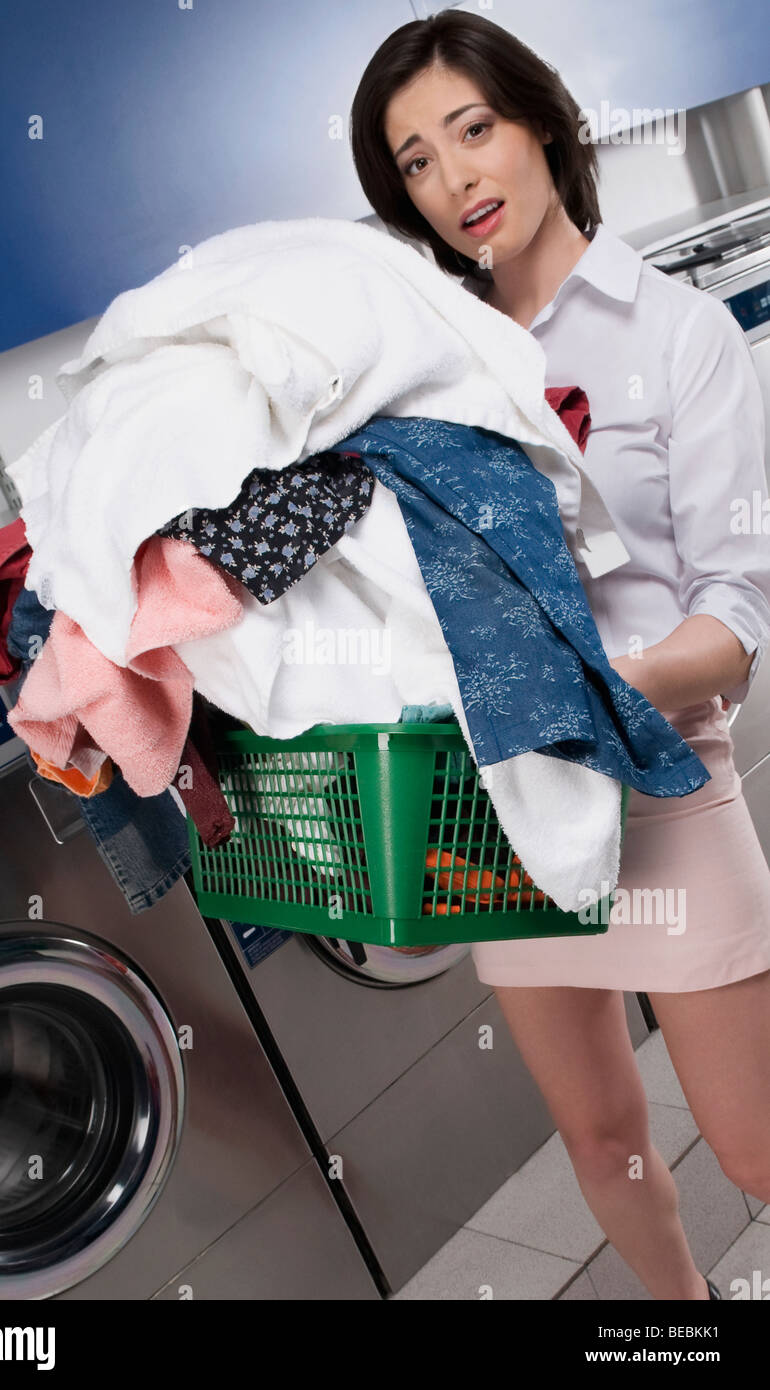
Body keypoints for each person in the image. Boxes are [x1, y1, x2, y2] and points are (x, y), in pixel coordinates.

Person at [350, 10, 770, 1301]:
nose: (454, 178)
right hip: (507, 826)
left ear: (539, 124)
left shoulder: (674, 334)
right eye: (414, 161)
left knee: (756, 1146)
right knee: (601, 1136)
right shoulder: (420, 370)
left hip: (662, 788)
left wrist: (582, 692)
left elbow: (738, 613)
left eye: (471, 130)